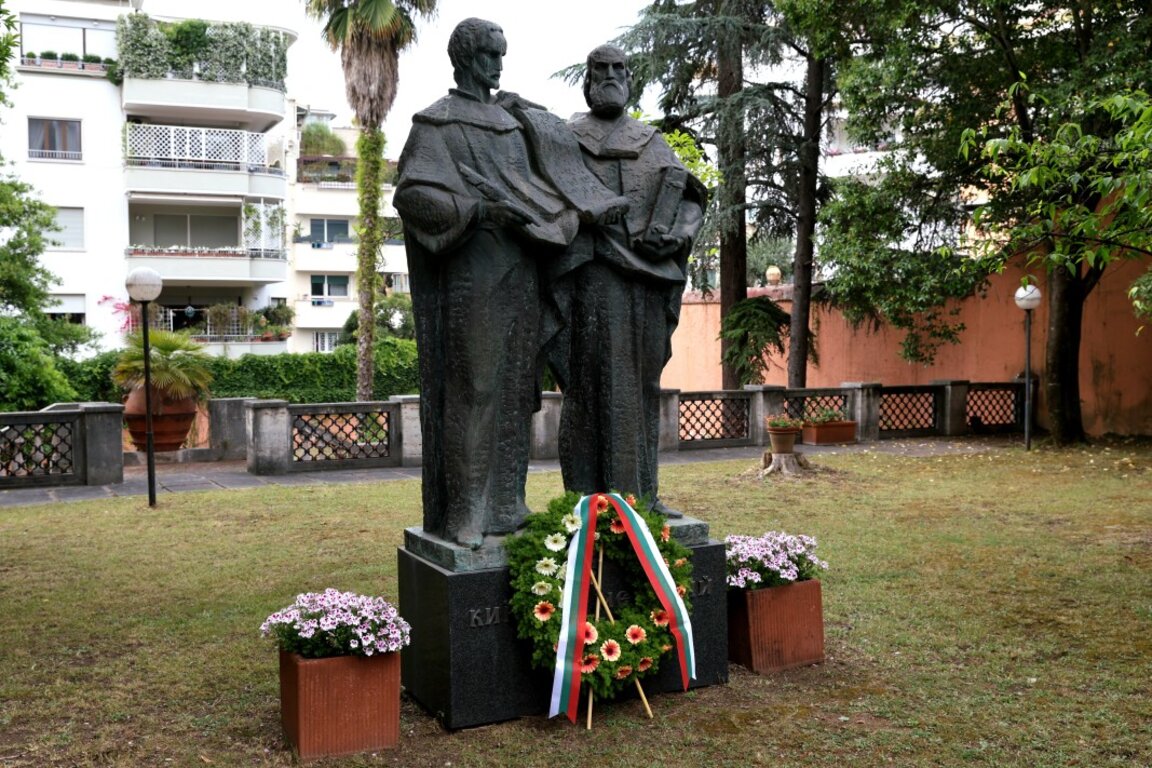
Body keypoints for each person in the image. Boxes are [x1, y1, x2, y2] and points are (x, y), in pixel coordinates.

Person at [393, 18, 585, 549]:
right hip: (474, 276)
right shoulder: (437, 123)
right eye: (489, 55)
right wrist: (479, 210)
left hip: (523, 270)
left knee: (518, 391)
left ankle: (506, 503)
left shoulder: (511, 122)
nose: (498, 65)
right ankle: (465, 511)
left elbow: (545, 181)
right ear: (464, 58)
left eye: (502, 55)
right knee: (474, 389)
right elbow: (413, 195)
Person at [548, 44, 707, 516]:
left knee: (640, 388)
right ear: (588, 81)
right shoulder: (567, 140)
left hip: (647, 285)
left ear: (630, 79)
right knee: (589, 388)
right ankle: (590, 501)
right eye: (602, 69)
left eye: (619, 69)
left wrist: (677, 236)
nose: (611, 76)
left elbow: (690, 199)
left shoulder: (650, 141)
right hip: (591, 283)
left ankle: (644, 496)